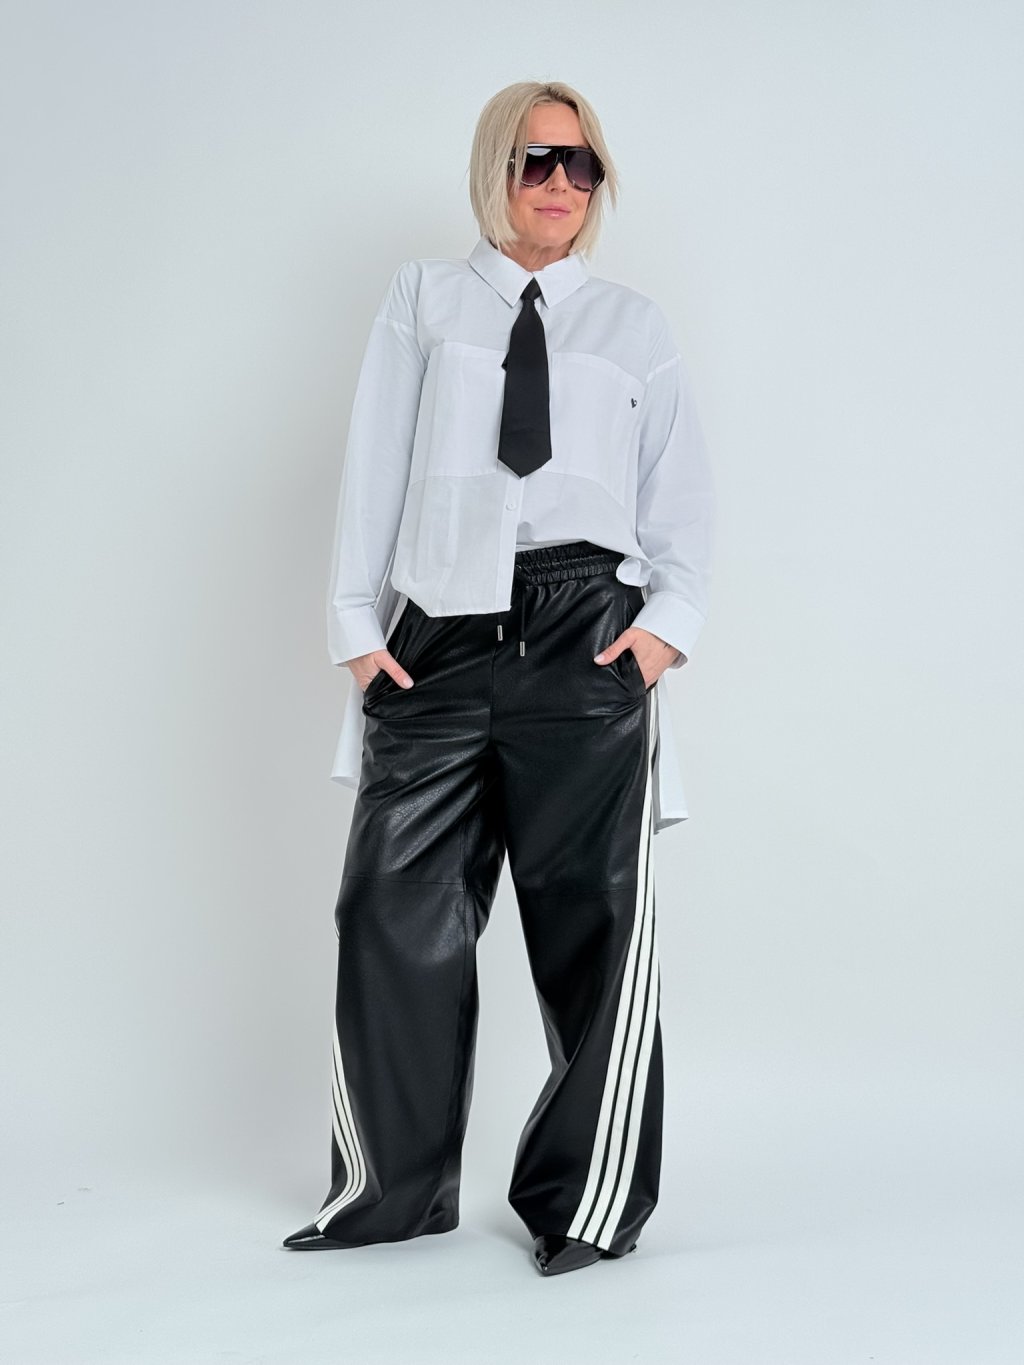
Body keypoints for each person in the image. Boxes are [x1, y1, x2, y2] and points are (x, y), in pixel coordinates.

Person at [283, 79, 715, 1277]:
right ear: (494, 169)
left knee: (593, 920)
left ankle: (586, 1202)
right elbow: (376, 458)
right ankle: (390, 1190)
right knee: (389, 906)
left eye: (581, 165)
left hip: (585, 632)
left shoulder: (633, 326)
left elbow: (679, 496)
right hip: (439, 634)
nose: (560, 185)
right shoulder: (424, 299)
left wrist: (661, 631)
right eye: (535, 161)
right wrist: (356, 627)